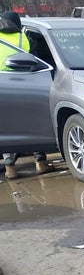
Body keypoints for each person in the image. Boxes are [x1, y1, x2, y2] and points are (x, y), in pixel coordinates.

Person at [1, 10, 53, 179]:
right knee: (32, 123)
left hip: (4, 87)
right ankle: (40, 162)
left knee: (9, 125)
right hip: (27, 83)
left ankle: (10, 167)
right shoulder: (24, 38)